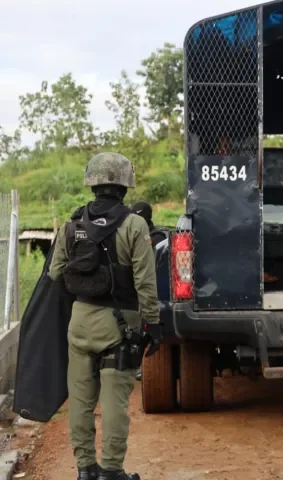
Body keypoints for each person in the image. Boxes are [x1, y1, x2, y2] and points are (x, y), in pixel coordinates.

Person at [49, 153, 162, 480]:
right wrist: (152, 324)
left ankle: (85, 469)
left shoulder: (72, 224)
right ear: (125, 185)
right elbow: (145, 282)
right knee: (115, 403)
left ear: (94, 183)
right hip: (119, 327)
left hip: (80, 324)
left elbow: (55, 272)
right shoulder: (135, 225)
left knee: (80, 401)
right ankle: (112, 471)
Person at [130, 201, 167, 382]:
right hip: (137, 289)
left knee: (146, 327)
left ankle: (142, 364)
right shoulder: (136, 235)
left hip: (151, 290)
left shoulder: (157, 238)